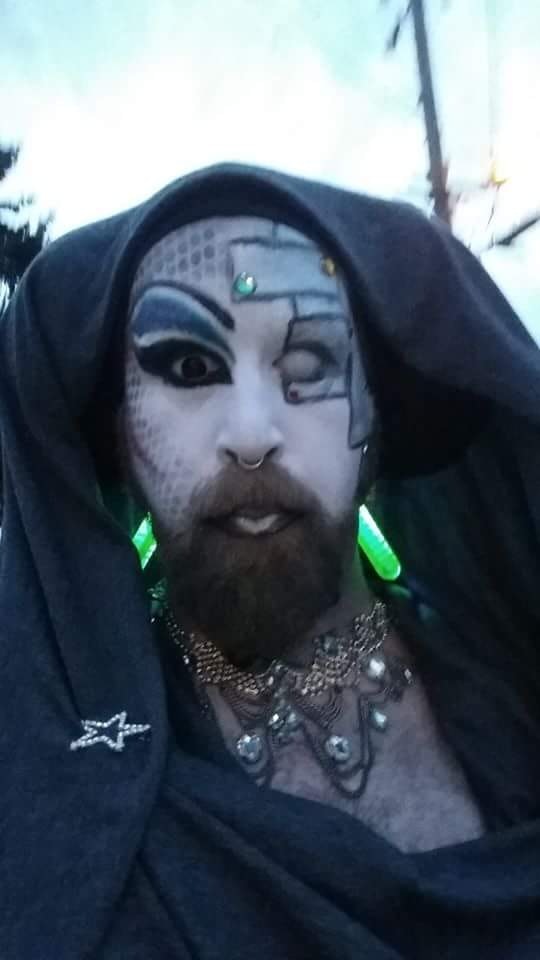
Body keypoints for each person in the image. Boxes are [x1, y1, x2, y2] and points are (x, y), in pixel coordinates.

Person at [1, 163, 539, 959]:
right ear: (119, 435)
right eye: (189, 368)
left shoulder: (513, 677)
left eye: (312, 361)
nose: (251, 434)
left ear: (376, 422)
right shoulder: (48, 759)